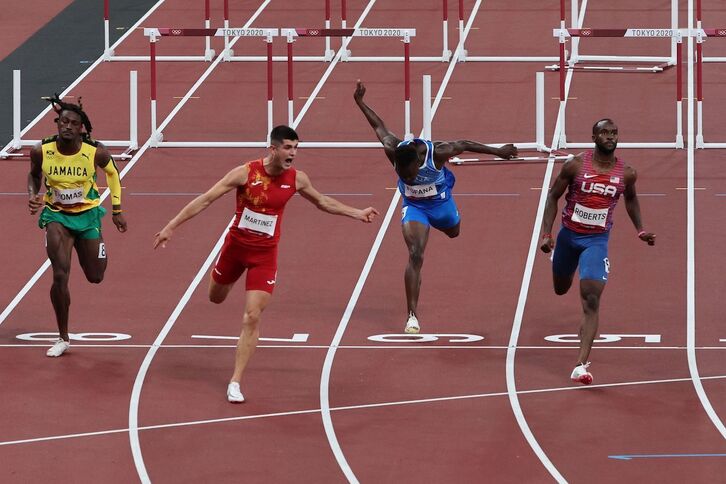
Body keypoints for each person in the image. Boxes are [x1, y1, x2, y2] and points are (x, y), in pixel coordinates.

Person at [153, 125, 379, 403]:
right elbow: (206, 199)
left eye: (296, 148)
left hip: (265, 257)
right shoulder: (245, 173)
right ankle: (221, 276)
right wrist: (171, 226)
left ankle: (235, 381)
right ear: (272, 149)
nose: (292, 154)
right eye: (287, 148)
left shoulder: (297, 179)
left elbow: (322, 202)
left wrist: (358, 213)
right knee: (215, 297)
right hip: (234, 250)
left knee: (252, 316)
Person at [353, 80, 518, 334]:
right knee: (416, 253)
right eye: (402, 175)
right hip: (415, 206)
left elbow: (464, 144)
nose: (406, 178)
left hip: (441, 203)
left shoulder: (437, 153)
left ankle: (445, 222)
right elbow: (378, 125)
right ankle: (412, 316)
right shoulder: (393, 150)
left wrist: (500, 151)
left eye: (408, 174)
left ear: (418, 163)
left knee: (454, 232)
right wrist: (360, 102)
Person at [539, 118, 656, 385]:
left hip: (596, 241)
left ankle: (580, 364)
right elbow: (552, 197)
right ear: (594, 136)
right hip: (569, 237)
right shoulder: (575, 165)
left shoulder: (626, 173)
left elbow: (631, 198)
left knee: (591, 299)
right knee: (560, 288)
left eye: (614, 132)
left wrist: (640, 230)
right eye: (605, 132)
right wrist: (547, 234)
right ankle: (558, 260)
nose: (610, 136)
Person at [28, 95, 127, 357]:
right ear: (57, 123)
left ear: (81, 128)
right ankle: (62, 337)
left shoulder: (95, 151)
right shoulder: (42, 150)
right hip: (56, 216)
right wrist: (32, 194)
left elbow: (114, 174)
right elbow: (34, 175)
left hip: (88, 216)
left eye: (73, 123)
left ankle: (97, 242)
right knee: (60, 274)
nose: (67, 126)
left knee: (96, 275)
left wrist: (116, 210)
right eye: (63, 121)